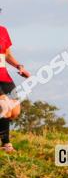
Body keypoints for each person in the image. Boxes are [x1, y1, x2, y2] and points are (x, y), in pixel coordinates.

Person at [0, 20, 32, 152]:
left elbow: (7, 54)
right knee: (4, 107)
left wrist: (19, 66)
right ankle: (6, 144)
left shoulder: (2, 30)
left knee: (14, 111)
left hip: (3, 75)